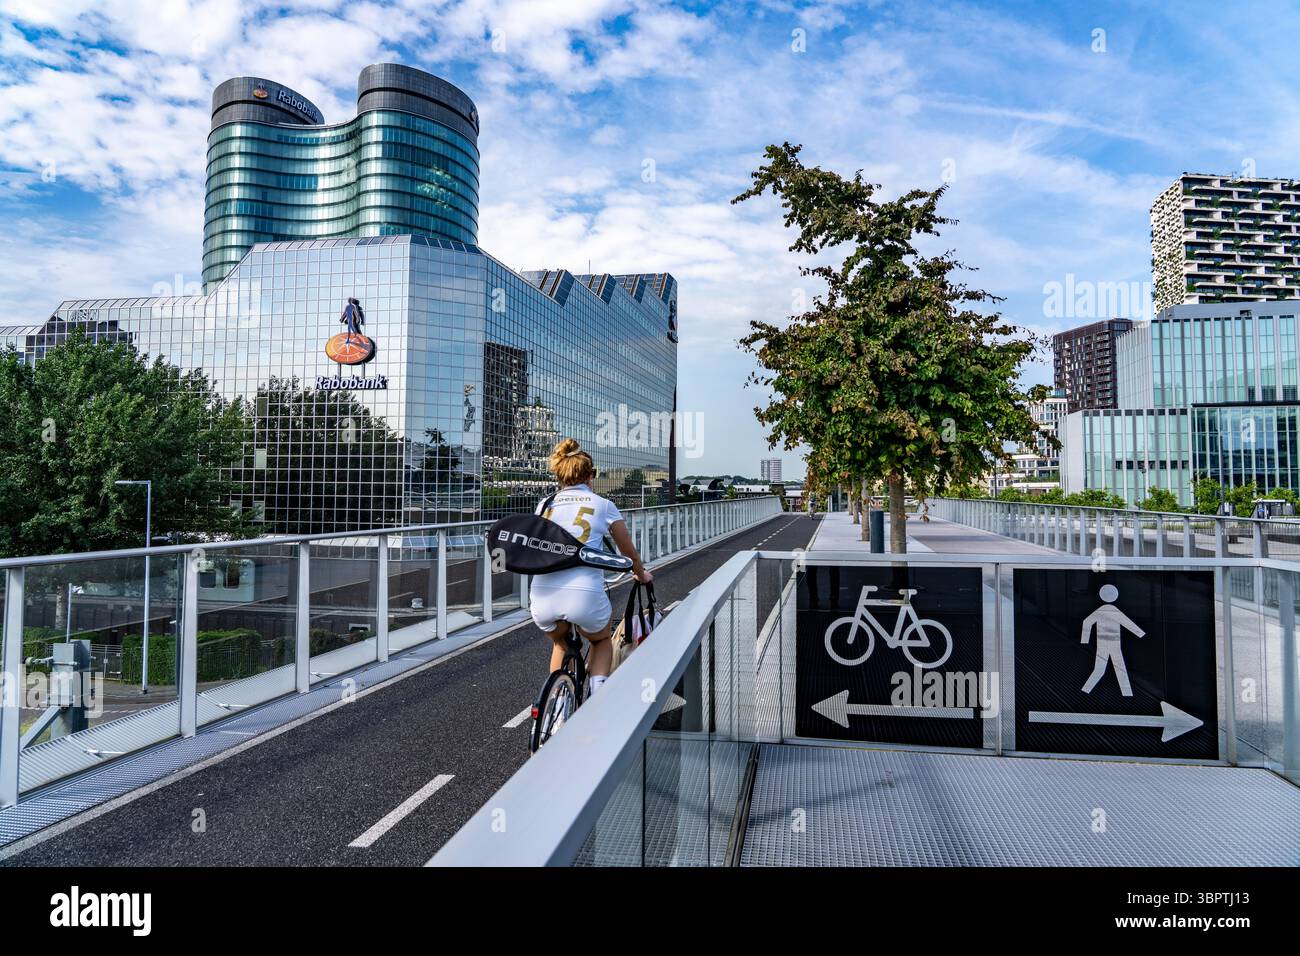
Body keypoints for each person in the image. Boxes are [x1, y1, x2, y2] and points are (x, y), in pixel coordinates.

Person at [530, 438, 652, 697]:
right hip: (583, 595)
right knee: (600, 639)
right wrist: (641, 575)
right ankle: (597, 698)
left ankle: (559, 704)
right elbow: (627, 550)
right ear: (589, 475)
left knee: (561, 644)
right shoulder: (602, 505)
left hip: (541, 597)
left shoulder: (544, 505)